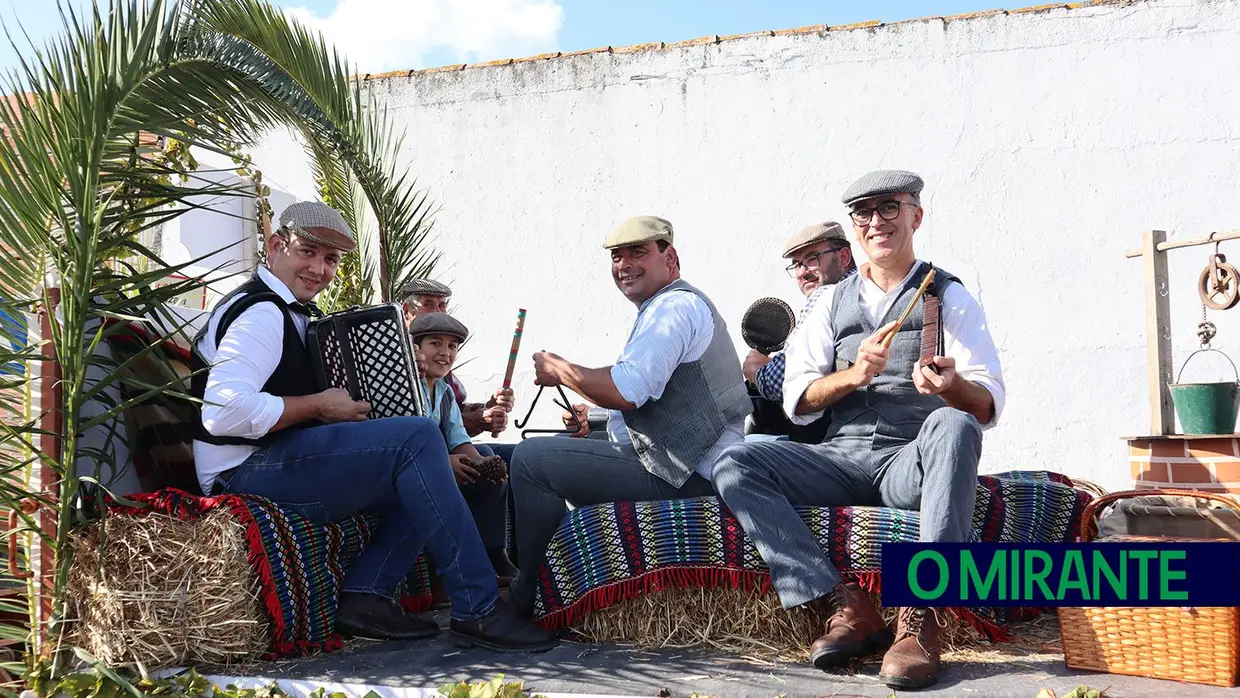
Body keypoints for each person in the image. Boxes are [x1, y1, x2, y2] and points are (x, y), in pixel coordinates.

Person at [190, 200, 555, 652]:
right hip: (241, 468)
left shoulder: (295, 313)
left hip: (281, 457)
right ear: (275, 246)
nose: (319, 269)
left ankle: (366, 595)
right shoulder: (262, 312)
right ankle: (478, 607)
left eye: (330, 260)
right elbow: (222, 412)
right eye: (308, 252)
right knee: (419, 437)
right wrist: (320, 406)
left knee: (423, 470)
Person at [711, 171, 1005, 689]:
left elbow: (985, 404)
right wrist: (853, 374)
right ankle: (842, 603)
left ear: (916, 215)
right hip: (840, 457)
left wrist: (952, 388)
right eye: (864, 213)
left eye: (889, 208)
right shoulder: (829, 301)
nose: (877, 222)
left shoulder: (948, 296)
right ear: (854, 227)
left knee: (955, 423)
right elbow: (797, 399)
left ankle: (921, 616)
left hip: (909, 458)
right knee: (736, 460)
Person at [507, 215, 751, 614]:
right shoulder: (674, 306)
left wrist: (561, 370)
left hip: (685, 476)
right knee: (565, 447)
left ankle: (528, 600)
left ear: (670, 258)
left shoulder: (673, 308)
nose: (624, 265)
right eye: (616, 257)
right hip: (687, 465)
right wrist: (597, 413)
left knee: (531, 459)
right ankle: (558, 583)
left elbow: (629, 390)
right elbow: (647, 393)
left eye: (637, 252)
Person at [408, 312, 519, 585]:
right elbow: (403, 445)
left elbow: (460, 441)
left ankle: (494, 553)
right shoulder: (407, 386)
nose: (445, 353)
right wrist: (445, 462)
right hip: (410, 472)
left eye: (452, 346)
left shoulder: (445, 393)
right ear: (417, 349)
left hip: (437, 465)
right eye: (436, 344)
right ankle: (451, 577)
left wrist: (484, 467)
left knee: (492, 463)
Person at [744, 222, 857, 442]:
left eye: (812, 259)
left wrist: (756, 370)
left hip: (831, 440)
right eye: (796, 264)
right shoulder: (868, 290)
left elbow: (781, 384)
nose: (803, 272)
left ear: (844, 257)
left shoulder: (827, 295)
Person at [399, 279, 513, 438]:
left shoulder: (440, 363)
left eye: (442, 306)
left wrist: (489, 407)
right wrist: (474, 420)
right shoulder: (396, 356)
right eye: (428, 304)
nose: (437, 312)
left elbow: (452, 409)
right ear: (406, 311)